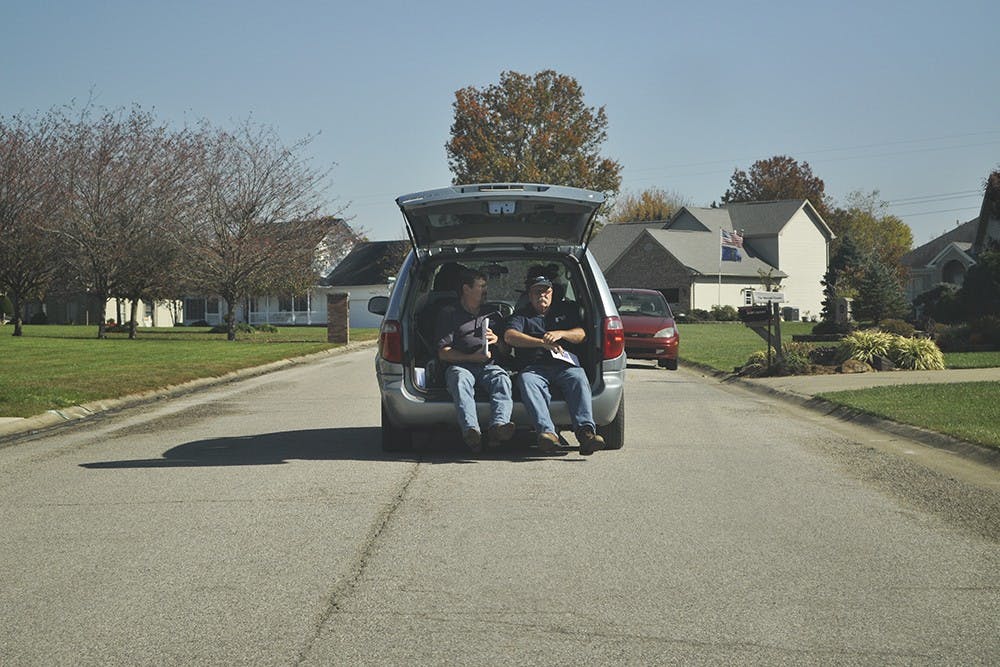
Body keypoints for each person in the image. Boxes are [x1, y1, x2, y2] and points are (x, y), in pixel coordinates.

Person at [504, 271, 605, 456]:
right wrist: (541, 343)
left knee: (578, 377)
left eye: (546, 291)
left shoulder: (566, 311)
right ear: (529, 296)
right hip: (534, 369)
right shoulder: (521, 316)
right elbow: (510, 336)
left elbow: (582, 334)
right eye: (537, 292)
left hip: (565, 366)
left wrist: (562, 333)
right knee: (527, 381)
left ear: (552, 292)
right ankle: (548, 434)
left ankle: (586, 434)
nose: (542, 295)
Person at [434, 268, 515, 453]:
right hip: (461, 366)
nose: (486, 290)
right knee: (460, 380)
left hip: (489, 367)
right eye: (481, 286)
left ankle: (499, 427)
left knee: (502, 379)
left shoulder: (494, 314)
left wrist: (498, 341)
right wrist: (471, 357)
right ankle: (471, 432)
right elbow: (443, 353)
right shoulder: (449, 314)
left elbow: (507, 350)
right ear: (466, 289)